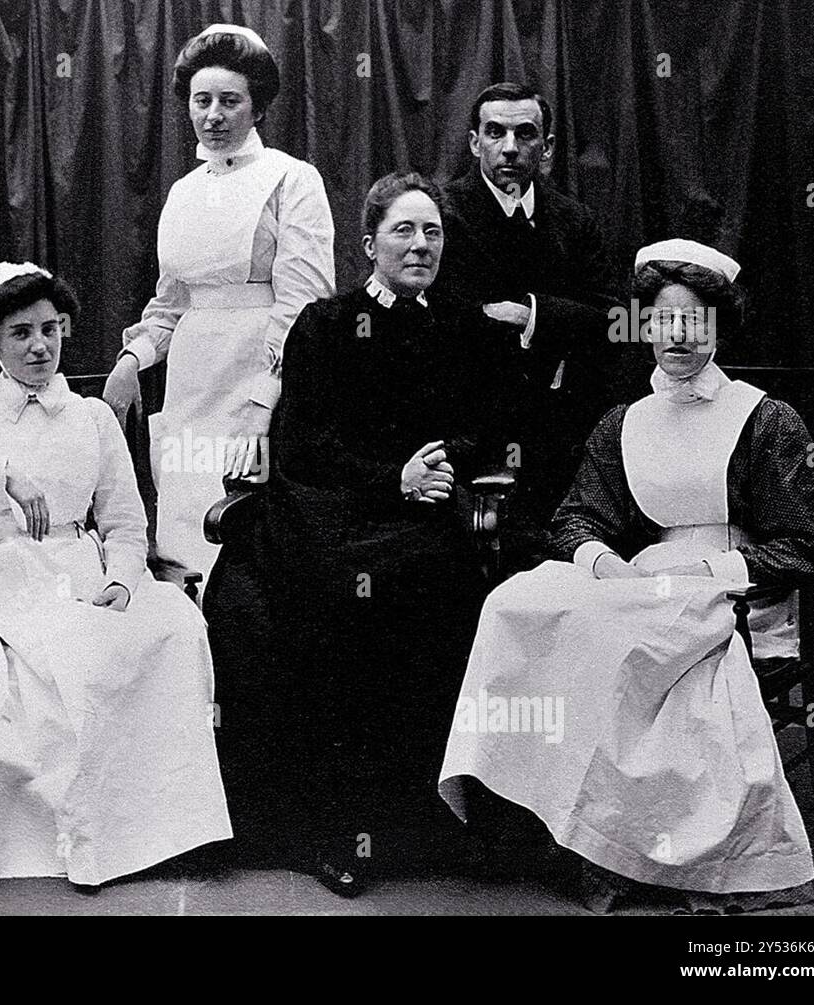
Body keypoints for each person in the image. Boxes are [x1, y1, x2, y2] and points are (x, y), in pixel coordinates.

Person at [439, 239, 814, 912]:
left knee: (614, 643)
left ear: (718, 326)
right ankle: (530, 814)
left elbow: (801, 547)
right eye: (663, 319)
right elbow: (576, 518)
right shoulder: (626, 421)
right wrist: (604, 561)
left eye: (694, 320)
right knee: (514, 601)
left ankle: (616, 845)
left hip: (732, 589)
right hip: (642, 580)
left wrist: (714, 571)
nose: (677, 335)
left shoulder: (764, 419)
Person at [204, 173, 512, 896]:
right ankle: (333, 825)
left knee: (439, 585)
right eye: (404, 231)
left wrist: (437, 467)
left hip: (430, 506)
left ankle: (424, 819)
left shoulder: (463, 326)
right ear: (370, 244)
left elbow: (488, 429)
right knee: (327, 600)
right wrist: (391, 479)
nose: (420, 244)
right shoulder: (326, 324)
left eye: (432, 231)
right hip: (330, 507)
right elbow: (305, 442)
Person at [0, 263, 231, 887]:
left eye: (50, 329)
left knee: (178, 624)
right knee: (72, 654)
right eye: (20, 333)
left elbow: (127, 524)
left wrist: (124, 582)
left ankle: (165, 828)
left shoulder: (93, 417)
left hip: (91, 569)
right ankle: (77, 842)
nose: (39, 346)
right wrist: (0, 473)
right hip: (14, 574)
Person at [102, 23, 335, 584]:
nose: (213, 115)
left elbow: (304, 307)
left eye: (230, 101)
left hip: (262, 382)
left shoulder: (291, 179)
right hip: (191, 384)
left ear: (257, 109)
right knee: (183, 531)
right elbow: (170, 303)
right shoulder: (183, 192)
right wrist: (132, 360)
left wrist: (263, 403)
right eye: (201, 101)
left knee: (245, 532)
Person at [438, 81, 623, 570]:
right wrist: (565, 320)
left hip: (564, 426)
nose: (510, 148)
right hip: (470, 423)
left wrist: (530, 314)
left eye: (526, 133)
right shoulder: (442, 216)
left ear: (548, 147)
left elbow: (611, 318)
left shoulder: (574, 221)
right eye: (495, 133)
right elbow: (444, 318)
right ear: (475, 142)